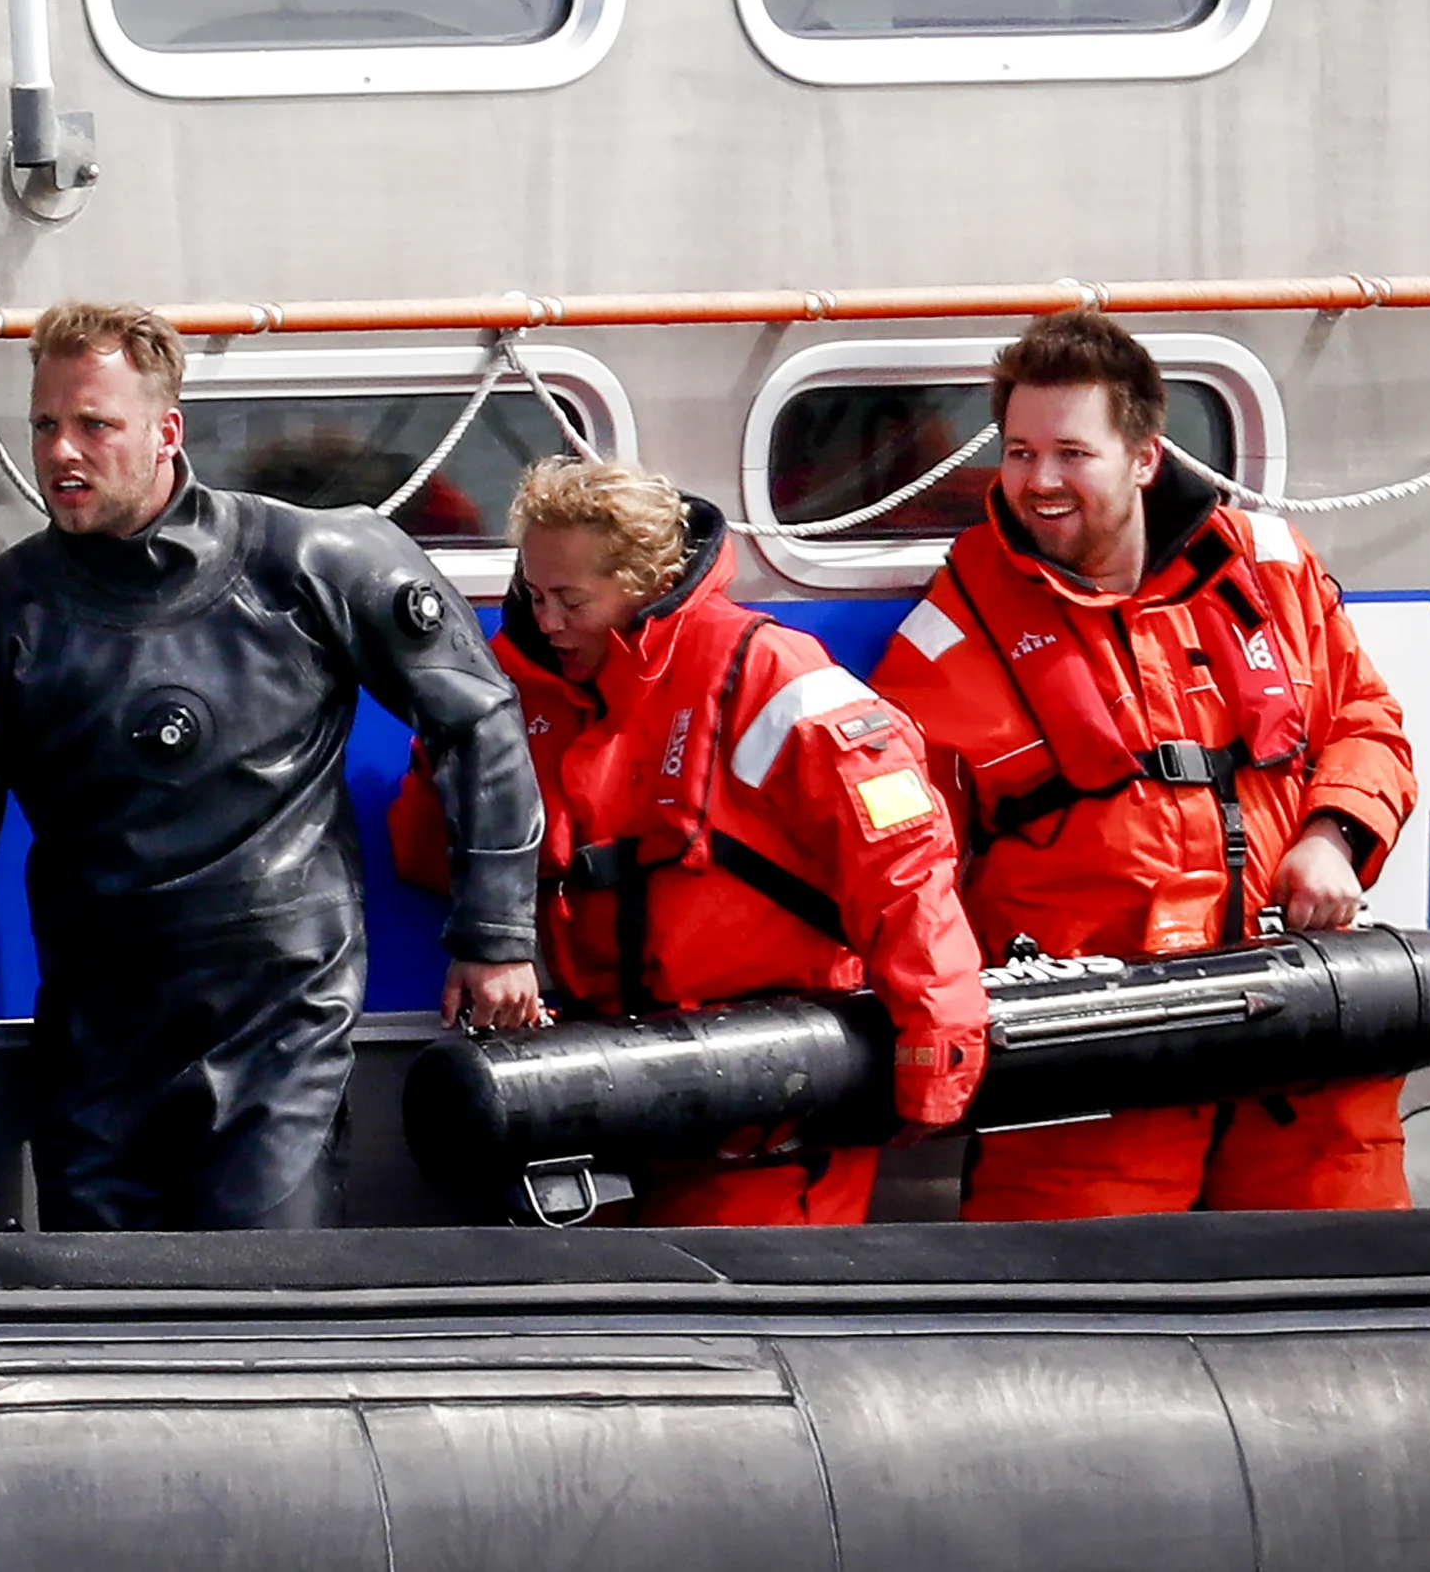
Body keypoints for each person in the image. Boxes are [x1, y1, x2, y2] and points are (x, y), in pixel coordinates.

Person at [0, 301, 547, 1230]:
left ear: (165, 430)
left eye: (94, 424)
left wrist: (496, 934)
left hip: (278, 1031)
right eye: (45, 424)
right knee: (108, 1338)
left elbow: (477, 719)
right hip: (97, 1045)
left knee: (265, 1321)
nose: (62, 452)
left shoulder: (312, 562)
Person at [872, 307, 1421, 1220]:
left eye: (1070, 453)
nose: (1037, 480)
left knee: (1344, 1300)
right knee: (1076, 1329)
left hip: (1302, 1043)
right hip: (1092, 1069)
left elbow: (1368, 720)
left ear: (1142, 456)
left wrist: (1333, 835)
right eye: (1017, 452)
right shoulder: (951, 634)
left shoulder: (1270, 572)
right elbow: (896, 853)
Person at [390, 459, 988, 1225]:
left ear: (643, 580)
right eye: (533, 595)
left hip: (771, 1092)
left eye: (572, 600)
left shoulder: (770, 674)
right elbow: (420, 847)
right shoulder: (511, 686)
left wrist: (938, 1051)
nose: (547, 622)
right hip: (597, 1087)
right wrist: (460, 735)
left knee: (752, 1317)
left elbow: (904, 872)